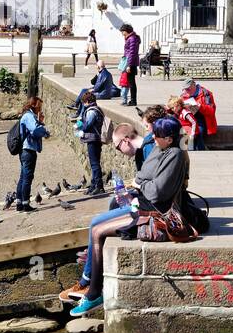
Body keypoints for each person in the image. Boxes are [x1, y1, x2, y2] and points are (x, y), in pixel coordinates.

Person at [69, 116, 190, 317]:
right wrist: (142, 183)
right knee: (97, 227)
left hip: (154, 212)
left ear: (169, 138)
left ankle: (93, 293)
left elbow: (157, 192)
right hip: (142, 204)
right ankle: (90, 287)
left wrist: (141, 184)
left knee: (98, 230)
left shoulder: (176, 155)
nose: (153, 138)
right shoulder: (160, 149)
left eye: (158, 136)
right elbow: (142, 176)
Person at [14, 96, 50, 212]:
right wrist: (44, 131)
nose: (40, 108)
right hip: (28, 150)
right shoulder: (29, 116)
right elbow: (34, 130)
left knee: (23, 177)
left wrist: (39, 122)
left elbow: (32, 129)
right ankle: (25, 205)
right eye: (39, 105)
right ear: (34, 105)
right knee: (27, 178)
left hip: (24, 150)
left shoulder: (26, 115)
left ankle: (19, 204)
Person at [77, 90, 106, 195]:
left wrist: (80, 127)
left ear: (88, 101)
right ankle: (93, 185)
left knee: (94, 164)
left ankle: (99, 186)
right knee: (94, 163)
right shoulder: (96, 109)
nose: (84, 104)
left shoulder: (91, 111)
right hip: (95, 139)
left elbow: (88, 125)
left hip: (93, 139)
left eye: (84, 102)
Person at [119, 24, 141, 106]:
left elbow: (132, 53)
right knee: (131, 82)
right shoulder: (131, 38)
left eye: (123, 31)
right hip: (130, 62)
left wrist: (128, 65)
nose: (122, 33)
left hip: (131, 63)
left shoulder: (132, 39)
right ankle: (132, 100)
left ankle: (133, 100)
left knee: (131, 83)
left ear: (127, 31)